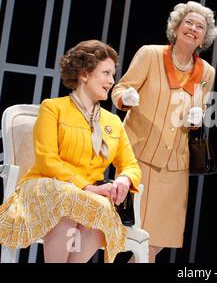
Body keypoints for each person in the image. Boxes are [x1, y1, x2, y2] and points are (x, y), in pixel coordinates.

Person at [0, 40, 141, 263]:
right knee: (69, 197)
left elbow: (131, 165)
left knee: (101, 207)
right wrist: (85, 186)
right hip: (46, 186)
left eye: (112, 75)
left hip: (88, 196)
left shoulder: (113, 122)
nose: (111, 81)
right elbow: (48, 160)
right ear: (84, 74)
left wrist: (123, 180)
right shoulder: (52, 108)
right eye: (105, 73)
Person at [111, 1, 217, 262]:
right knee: (124, 232)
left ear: (204, 37)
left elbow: (198, 110)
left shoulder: (207, 72)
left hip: (174, 167)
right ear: (176, 26)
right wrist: (126, 96)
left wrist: (197, 118)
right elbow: (118, 89)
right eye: (188, 22)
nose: (193, 29)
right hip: (138, 157)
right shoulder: (150, 54)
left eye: (200, 26)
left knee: (158, 238)